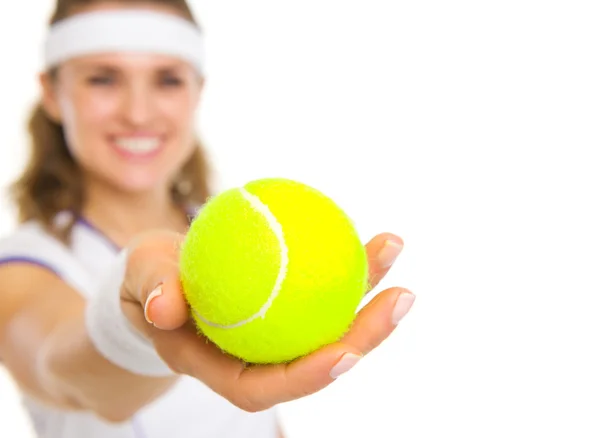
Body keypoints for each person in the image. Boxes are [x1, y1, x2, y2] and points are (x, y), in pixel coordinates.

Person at [0, 1, 416, 437]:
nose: (138, 113)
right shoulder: (21, 264)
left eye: (168, 80)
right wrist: (133, 328)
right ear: (52, 92)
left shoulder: (244, 240)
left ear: (197, 91)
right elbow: (61, 371)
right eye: (103, 79)